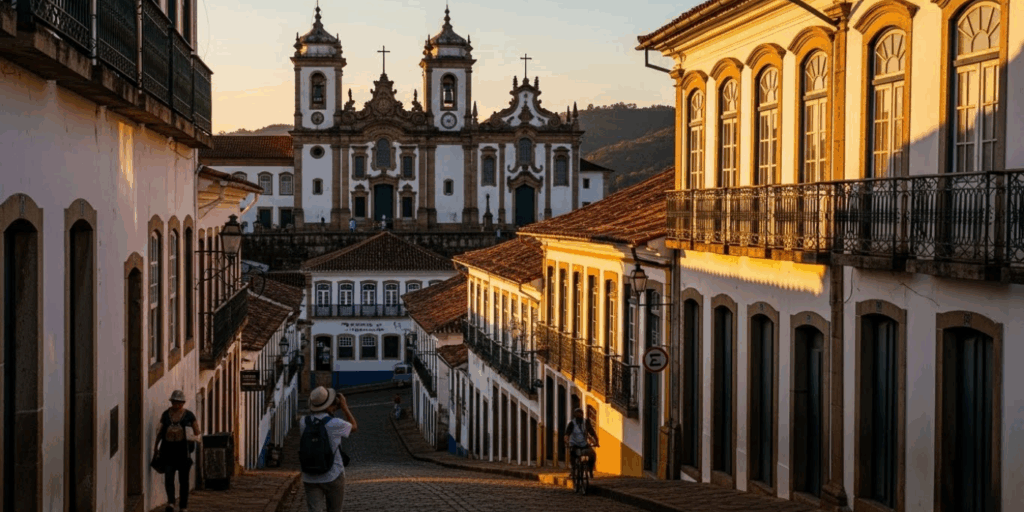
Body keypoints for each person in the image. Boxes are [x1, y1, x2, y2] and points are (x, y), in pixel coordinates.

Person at [301, 386, 358, 512]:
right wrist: (344, 406)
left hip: (309, 476)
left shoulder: (303, 422)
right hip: (333, 474)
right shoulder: (335, 423)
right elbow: (354, 426)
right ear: (329, 405)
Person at [154, 390, 200, 512]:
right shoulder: (165, 415)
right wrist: (156, 449)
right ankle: (171, 502)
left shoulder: (189, 416)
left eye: (179, 402)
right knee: (169, 478)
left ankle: (183, 506)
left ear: (183, 403)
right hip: (168, 452)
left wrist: (191, 435)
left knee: (183, 481)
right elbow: (160, 432)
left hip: (183, 453)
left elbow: (197, 431)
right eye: (174, 402)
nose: (176, 405)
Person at [563, 408, 598, 479]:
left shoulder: (586, 422)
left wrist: (597, 441)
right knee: (572, 455)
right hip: (574, 444)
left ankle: (590, 470)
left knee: (592, 455)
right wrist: (566, 442)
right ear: (575, 415)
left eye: (580, 413)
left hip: (584, 444)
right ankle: (573, 471)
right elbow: (567, 434)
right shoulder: (572, 423)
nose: (579, 415)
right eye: (577, 414)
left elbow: (592, 432)